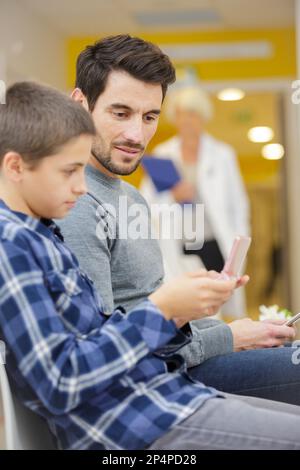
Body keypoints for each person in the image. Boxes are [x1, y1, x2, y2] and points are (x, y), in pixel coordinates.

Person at [1, 81, 300, 451]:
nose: (81, 188)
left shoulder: (45, 233)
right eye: (69, 171)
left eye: (149, 116)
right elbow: (62, 380)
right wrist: (165, 310)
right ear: (15, 166)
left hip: (159, 393)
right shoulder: (13, 243)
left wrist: (180, 314)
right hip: (133, 422)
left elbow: (101, 331)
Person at [59, 34, 299, 406]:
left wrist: (229, 329)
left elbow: (153, 304)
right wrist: (231, 337)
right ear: (79, 105)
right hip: (157, 380)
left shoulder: (130, 198)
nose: (136, 135)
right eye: (120, 113)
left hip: (180, 355)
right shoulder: (74, 203)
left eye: (149, 116)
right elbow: (105, 349)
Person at [141, 85, 250, 319]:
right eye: (181, 114)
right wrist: (173, 196)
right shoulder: (163, 153)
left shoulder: (222, 155)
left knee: (217, 305)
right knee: (189, 307)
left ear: (202, 117)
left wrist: (240, 242)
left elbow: (238, 204)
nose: (187, 121)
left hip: (214, 240)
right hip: (181, 242)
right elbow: (147, 204)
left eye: (192, 114)